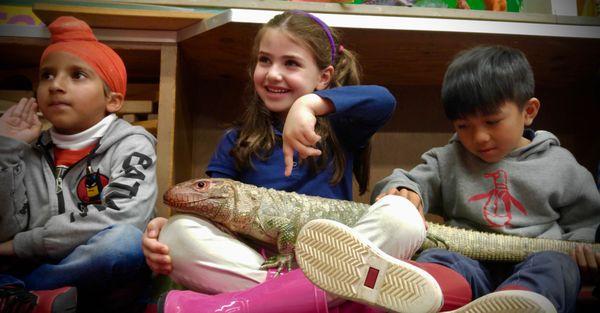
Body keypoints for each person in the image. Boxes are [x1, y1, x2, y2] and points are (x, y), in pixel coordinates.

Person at [143, 10, 426, 313]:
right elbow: (213, 206)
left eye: (290, 63)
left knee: (403, 217)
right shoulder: (236, 140)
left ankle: (260, 304)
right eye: (265, 60)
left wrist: (309, 105)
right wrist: (166, 227)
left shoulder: (341, 128)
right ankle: (325, 301)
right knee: (177, 233)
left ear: (324, 77)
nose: (273, 73)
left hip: (333, 257)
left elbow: (383, 100)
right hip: (262, 263)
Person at [293, 45, 600, 313]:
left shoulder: (559, 164)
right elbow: (405, 179)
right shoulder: (449, 159)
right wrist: (403, 190)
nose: (479, 137)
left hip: (535, 261)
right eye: (464, 126)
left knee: (557, 267)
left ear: (529, 111)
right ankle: (428, 298)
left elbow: (588, 218)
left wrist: (583, 244)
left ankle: (518, 303)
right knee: (439, 259)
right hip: (468, 263)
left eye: (492, 122)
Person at [0, 16, 157, 313]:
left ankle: (24, 295)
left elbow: (124, 218)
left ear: (112, 100)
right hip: (39, 263)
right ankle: (38, 299)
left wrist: (18, 247)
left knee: (124, 242)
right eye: (47, 75)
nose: (56, 85)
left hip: (98, 276)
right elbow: (7, 227)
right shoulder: (28, 149)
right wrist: (7, 150)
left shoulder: (133, 143)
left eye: (77, 75)